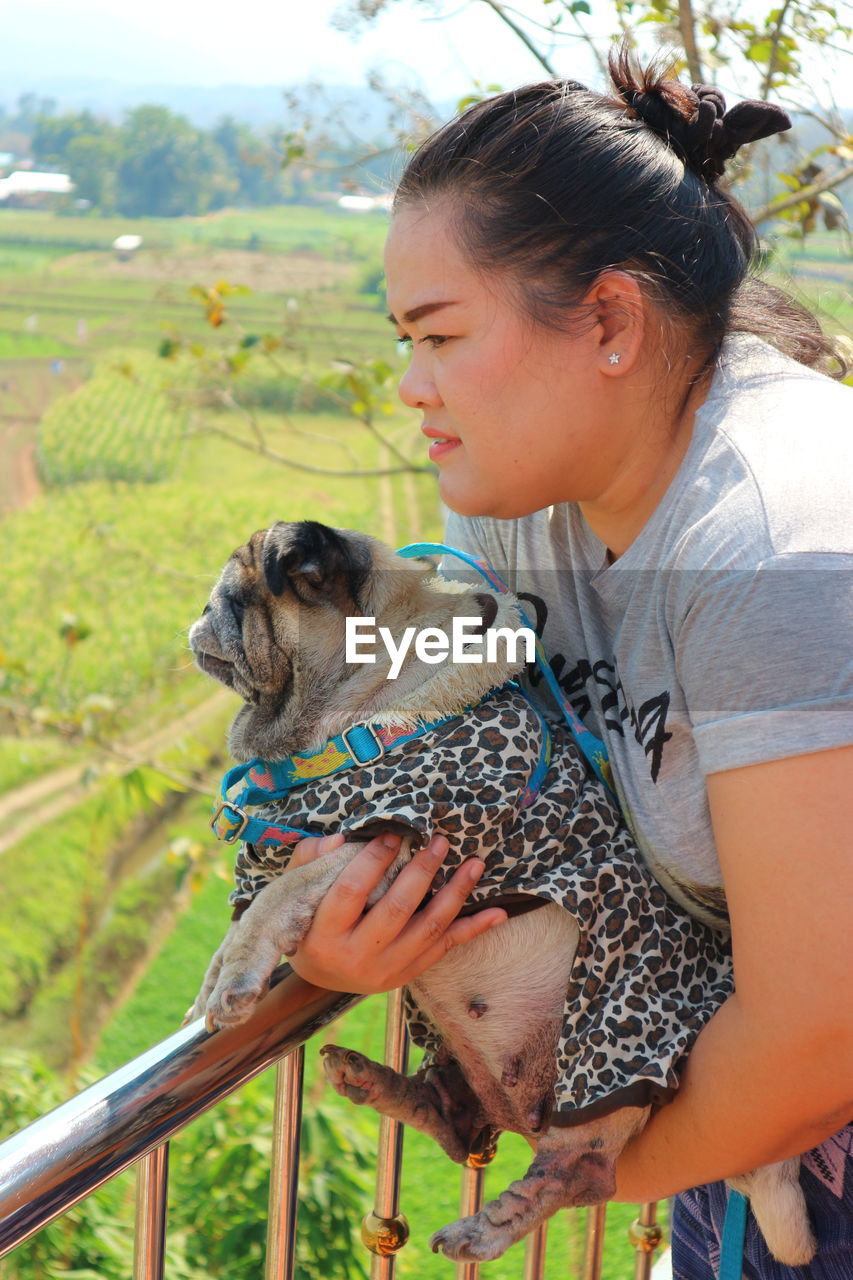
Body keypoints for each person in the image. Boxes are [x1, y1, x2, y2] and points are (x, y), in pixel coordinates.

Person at [284, 49, 853, 1278]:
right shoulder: (528, 504)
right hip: (730, 1109)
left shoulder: (773, 544)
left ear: (606, 319)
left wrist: (567, 1177)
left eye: (438, 336)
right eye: (402, 338)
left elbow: (817, 1042)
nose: (409, 385)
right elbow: (458, 751)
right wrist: (327, 933)